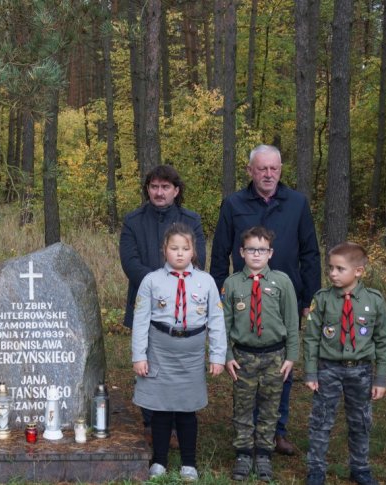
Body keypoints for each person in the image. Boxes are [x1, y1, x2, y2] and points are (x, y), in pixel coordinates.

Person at [210, 144, 321, 455]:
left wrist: (309, 298)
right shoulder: (233, 204)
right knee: (245, 363)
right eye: (262, 168)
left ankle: (276, 430)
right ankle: (247, 429)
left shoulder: (297, 203)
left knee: (281, 366)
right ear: (250, 171)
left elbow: (310, 253)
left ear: (281, 170)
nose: (269, 174)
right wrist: (218, 299)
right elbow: (219, 254)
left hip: (284, 301)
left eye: (274, 168)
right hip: (243, 298)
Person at [131, 223, 226, 482]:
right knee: (160, 410)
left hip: (192, 354)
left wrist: (217, 356)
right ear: (165, 250)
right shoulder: (151, 280)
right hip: (159, 350)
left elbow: (216, 320)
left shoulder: (206, 281)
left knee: (187, 410)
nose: (180, 253)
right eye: (174, 248)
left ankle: (189, 463)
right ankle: (159, 460)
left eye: (185, 248)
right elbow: (140, 320)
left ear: (193, 251)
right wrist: (139, 356)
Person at [120, 164, 206, 444]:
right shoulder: (133, 221)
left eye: (165, 187)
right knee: (149, 363)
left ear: (176, 190)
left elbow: (198, 258)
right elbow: (130, 262)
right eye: (154, 187)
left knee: (181, 365)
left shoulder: (191, 220)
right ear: (147, 189)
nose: (159, 192)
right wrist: (158, 286)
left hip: (184, 306)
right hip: (145, 302)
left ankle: (181, 420)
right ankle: (152, 421)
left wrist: (170, 287)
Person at [303, 242, 386, 485]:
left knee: (360, 421)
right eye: (330, 268)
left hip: (361, 370)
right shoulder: (321, 299)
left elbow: (384, 339)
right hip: (328, 369)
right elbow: (311, 338)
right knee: (321, 421)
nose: (332, 273)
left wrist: (381, 378)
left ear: (359, 271)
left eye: (339, 269)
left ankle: (360, 468)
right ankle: (316, 469)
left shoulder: (374, 300)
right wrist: (311, 373)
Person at [221, 227, 299, 482]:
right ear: (242, 252)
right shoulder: (232, 283)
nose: (256, 254)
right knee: (242, 407)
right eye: (251, 249)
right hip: (243, 357)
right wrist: (226, 355)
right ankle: (244, 453)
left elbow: (291, 322)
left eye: (262, 249)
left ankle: (264, 453)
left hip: (275, 356)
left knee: (270, 408)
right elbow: (224, 323)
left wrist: (291, 356)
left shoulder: (282, 281)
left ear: (270, 253)